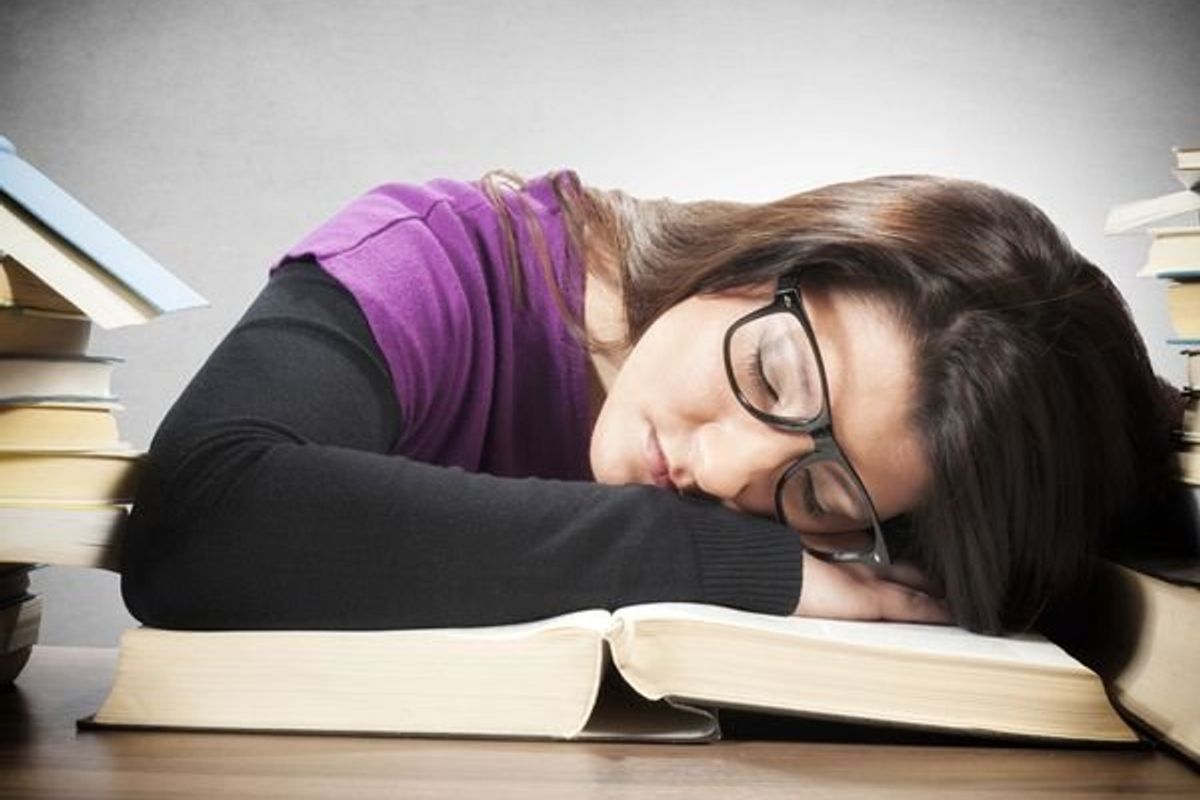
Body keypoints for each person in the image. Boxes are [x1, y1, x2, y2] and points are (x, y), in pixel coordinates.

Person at [119, 169, 1175, 636]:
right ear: (766, 260)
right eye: (770, 377)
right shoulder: (447, 256)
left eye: (814, 489)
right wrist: (714, 555)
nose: (723, 475)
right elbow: (200, 518)